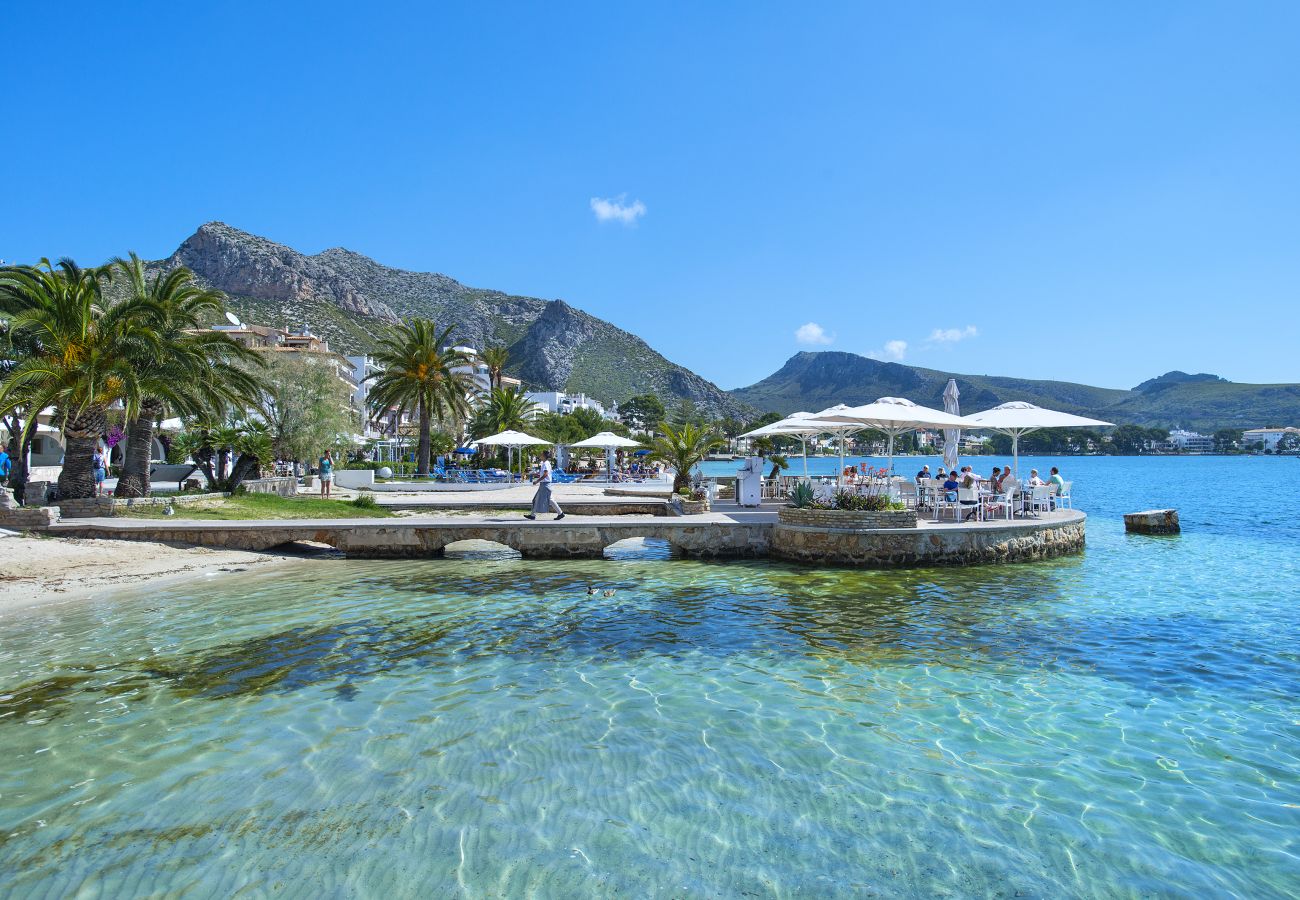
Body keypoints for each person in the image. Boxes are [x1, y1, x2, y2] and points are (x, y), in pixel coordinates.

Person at [526, 449, 565, 520]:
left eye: (541, 454)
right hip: (545, 484)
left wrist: (537, 481)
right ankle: (560, 513)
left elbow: (545, 474)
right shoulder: (545, 463)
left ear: (544, 456)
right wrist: (536, 474)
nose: (540, 455)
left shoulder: (546, 463)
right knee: (543, 499)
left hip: (545, 484)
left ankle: (533, 515)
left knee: (539, 499)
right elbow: (544, 474)